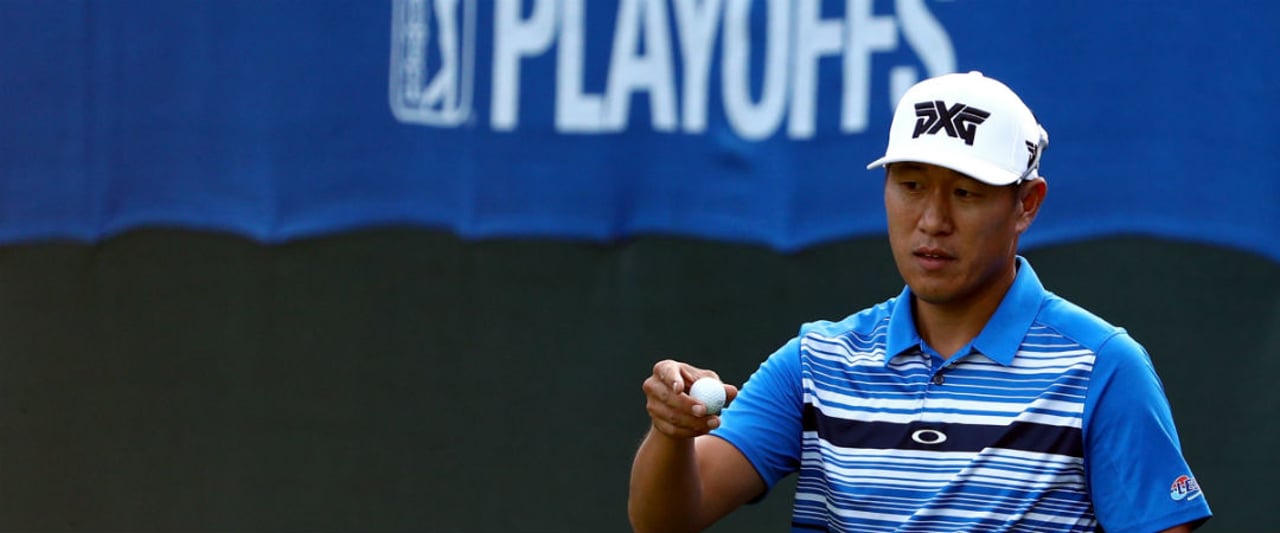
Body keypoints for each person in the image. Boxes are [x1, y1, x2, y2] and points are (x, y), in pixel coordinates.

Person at [628, 71, 1212, 533]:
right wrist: (673, 437)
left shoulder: (1103, 368)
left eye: (965, 192)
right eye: (910, 186)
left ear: (1027, 205)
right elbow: (666, 519)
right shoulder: (815, 362)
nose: (932, 221)